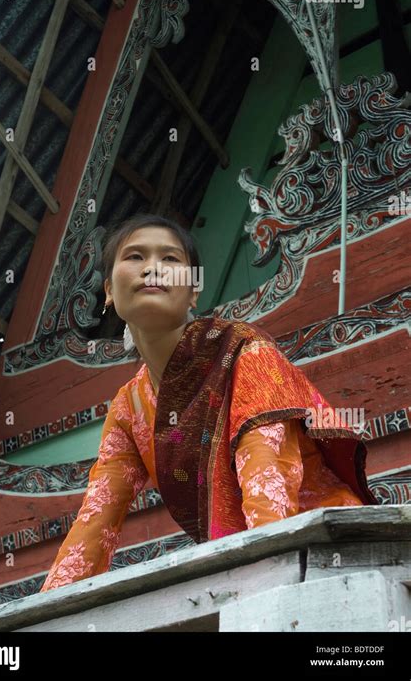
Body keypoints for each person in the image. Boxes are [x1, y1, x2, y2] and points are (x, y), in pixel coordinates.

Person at [40, 213, 378, 592]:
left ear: (193, 291)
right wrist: (45, 611)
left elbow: (269, 481)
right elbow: (97, 518)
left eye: (170, 259)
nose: (152, 268)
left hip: (322, 556)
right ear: (108, 291)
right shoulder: (128, 408)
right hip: (242, 567)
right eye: (134, 257)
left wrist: (263, 579)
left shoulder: (243, 352)